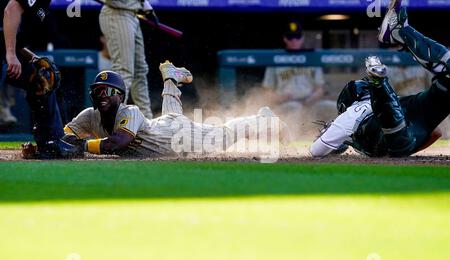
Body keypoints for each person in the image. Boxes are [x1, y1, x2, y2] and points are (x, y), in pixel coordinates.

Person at [60, 61, 288, 158]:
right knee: (172, 116)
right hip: (164, 125)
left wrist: (80, 145)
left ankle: (262, 119)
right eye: (98, 90)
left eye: (108, 91)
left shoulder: (130, 112)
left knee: (222, 137)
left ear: (120, 95)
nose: (102, 95)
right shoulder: (89, 115)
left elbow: (116, 143)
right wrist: (52, 145)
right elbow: (64, 135)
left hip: (178, 137)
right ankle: (170, 79)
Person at [310, 0, 449, 158]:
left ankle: (380, 82)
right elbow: (435, 133)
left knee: (395, 125)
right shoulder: (355, 110)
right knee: (392, 118)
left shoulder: (348, 118)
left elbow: (315, 151)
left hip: (398, 135)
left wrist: (331, 134)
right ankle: (381, 79)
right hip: (397, 126)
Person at [2, 0, 79, 158]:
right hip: (5, 52)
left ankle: (50, 143)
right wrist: (10, 54)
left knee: (42, 76)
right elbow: (11, 9)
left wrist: (31, 57)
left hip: (6, 49)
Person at [262, 20, 335, 137]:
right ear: (285, 39)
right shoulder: (276, 58)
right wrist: (281, 97)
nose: (294, 41)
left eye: (297, 37)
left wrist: (312, 97)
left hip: (310, 103)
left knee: (332, 106)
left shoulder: (311, 58)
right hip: (286, 105)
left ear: (302, 38)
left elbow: (319, 88)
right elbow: (267, 92)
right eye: (290, 38)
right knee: (295, 107)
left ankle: (334, 140)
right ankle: (293, 141)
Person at [99, 0, 153, 119]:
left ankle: (146, 122)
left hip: (132, 14)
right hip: (116, 12)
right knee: (123, 70)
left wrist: (145, 6)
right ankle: (113, 121)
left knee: (140, 71)